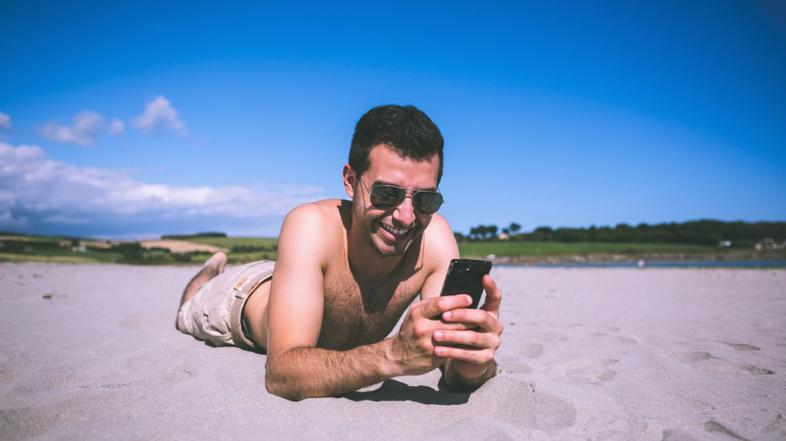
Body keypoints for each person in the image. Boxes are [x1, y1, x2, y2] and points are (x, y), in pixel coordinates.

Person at [175, 105, 503, 400]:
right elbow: (281, 374)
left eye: (425, 200)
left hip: (294, 276)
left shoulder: (435, 239)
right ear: (350, 180)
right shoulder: (310, 225)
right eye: (387, 193)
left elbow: (451, 368)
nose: (406, 216)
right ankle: (210, 272)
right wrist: (393, 355)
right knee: (191, 306)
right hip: (240, 296)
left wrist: (472, 363)